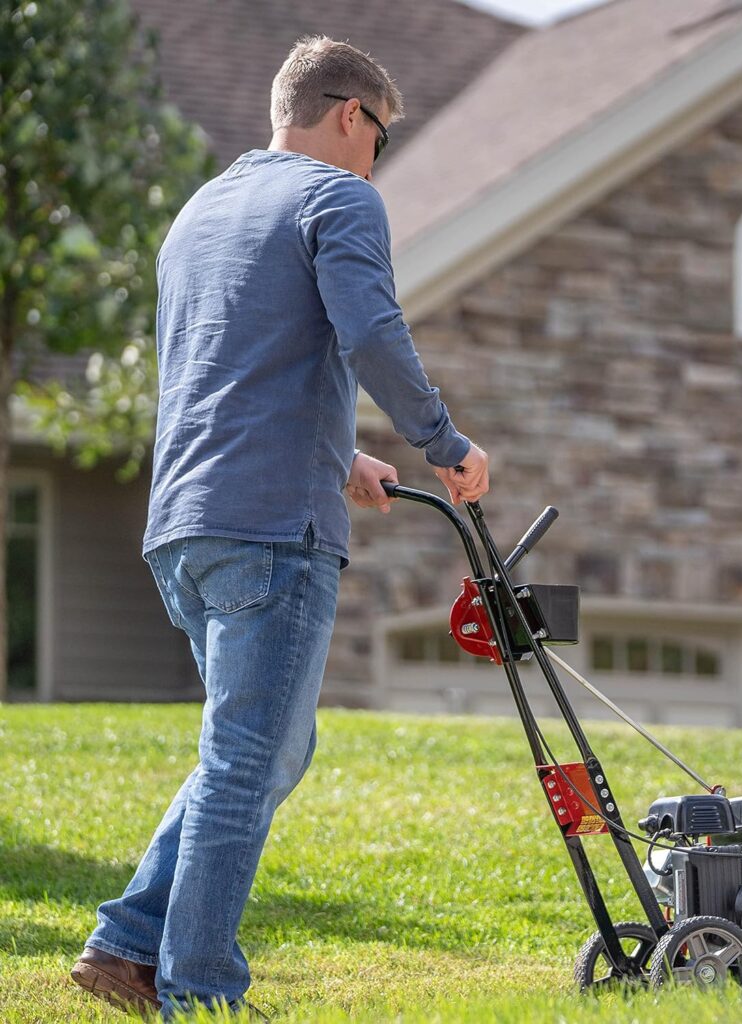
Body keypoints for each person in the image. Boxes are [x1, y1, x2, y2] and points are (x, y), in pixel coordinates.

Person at [70, 35, 489, 1021]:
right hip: (267, 533)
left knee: (264, 750)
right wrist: (441, 439)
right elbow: (371, 331)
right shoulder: (338, 198)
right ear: (350, 114)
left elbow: (225, 364)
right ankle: (199, 989)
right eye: (378, 136)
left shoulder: (201, 211)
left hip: (185, 525)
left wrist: (340, 459)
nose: (376, 159)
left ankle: (128, 942)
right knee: (248, 757)